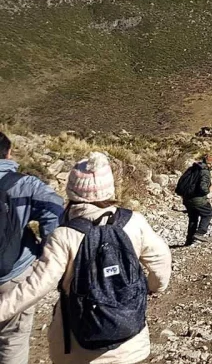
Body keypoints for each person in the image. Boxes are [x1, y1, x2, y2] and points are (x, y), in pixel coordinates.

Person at [0, 152, 171, 364]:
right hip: (130, 342)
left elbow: (35, 286)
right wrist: (155, 286)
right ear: (109, 187)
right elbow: (162, 260)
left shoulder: (63, 236)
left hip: (78, 347)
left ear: (72, 191)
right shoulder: (135, 222)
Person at [0, 131, 64, 364]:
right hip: (13, 273)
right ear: (8, 152)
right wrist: (49, 250)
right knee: (12, 340)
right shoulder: (23, 184)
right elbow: (54, 208)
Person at [177, 155, 212, 246]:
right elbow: (203, 188)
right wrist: (208, 191)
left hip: (187, 198)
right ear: (211, 163)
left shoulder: (193, 168)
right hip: (197, 199)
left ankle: (189, 240)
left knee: (193, 219)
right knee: (208, 213)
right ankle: (200, 233)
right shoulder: (204, 171)